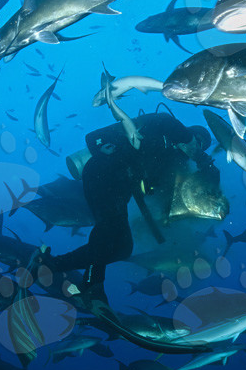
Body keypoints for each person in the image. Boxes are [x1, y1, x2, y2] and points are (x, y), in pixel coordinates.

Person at [43, 112, 217, 296]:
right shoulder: (161, 124)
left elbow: (157, 193)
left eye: (200, 149)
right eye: (195, 144)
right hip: (101, 175)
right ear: (187, 135)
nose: (194, 151)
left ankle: (51, 265)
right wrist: (105, 153)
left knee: (123, 248)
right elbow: (92, 137)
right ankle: (91, 282)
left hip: (119, 193)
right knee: (106, 232)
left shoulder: (172, 164)